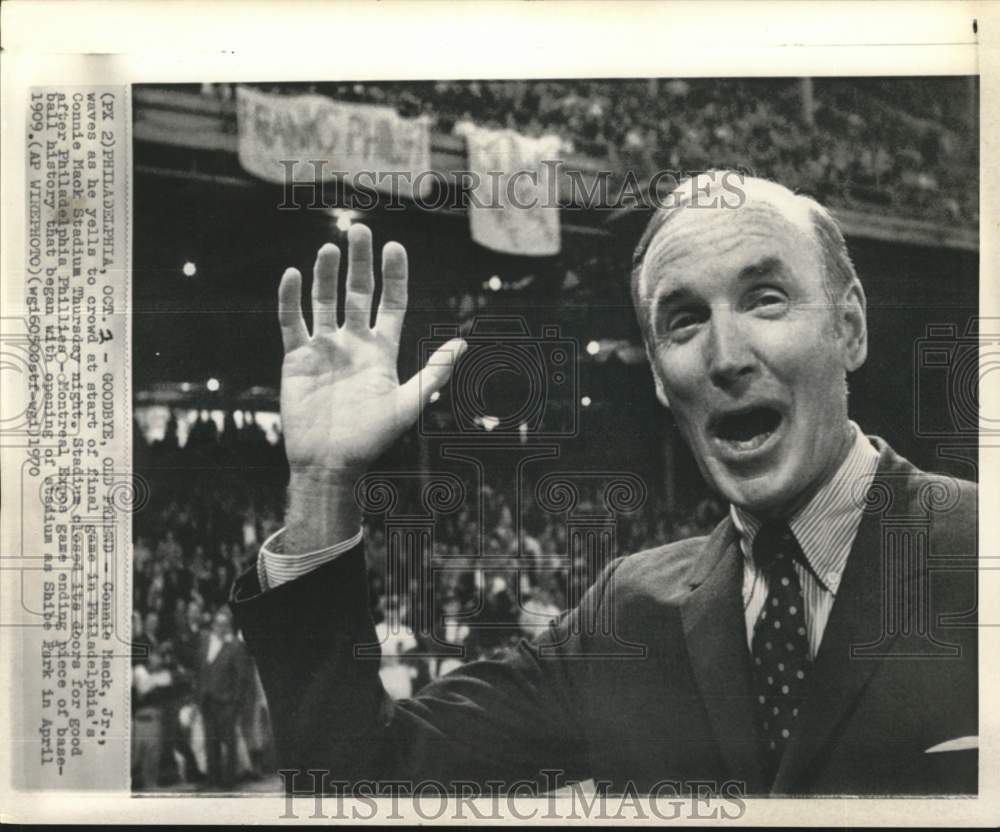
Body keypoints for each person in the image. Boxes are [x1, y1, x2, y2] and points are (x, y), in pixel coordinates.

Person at [230, 173, 977, 796]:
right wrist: (324, 484)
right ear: (658, 377)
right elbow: (358, 782)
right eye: (683, 320)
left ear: (849, 328)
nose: (725, 356)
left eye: (765, 299)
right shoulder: (625, 617)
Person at [197, 607, 251, 790]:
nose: (221, 628)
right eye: (218, 624)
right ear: (213, 625)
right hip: (207, 701)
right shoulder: (205, 643)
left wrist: (235, 703)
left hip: (226, 702)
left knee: (229, 742)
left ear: (228, 626)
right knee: (210, 742)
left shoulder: (235, 646)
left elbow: (241, 677)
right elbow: (200, 671)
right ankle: (212, 779)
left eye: (224, 625)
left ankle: (229, 782)